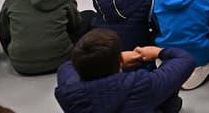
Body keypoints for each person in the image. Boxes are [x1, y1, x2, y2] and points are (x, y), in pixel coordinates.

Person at [54, 28, 195, 113]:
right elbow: (185, 61)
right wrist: (159, 52)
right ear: (118, 62)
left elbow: (66, 67)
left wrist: (116, 60)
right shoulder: (141, 85)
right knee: (172, 102)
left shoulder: (68, 89)